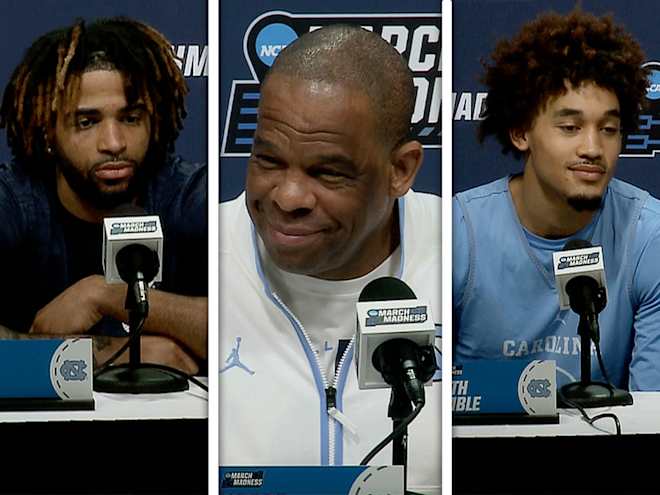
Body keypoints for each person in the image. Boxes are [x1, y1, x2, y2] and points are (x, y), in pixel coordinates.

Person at [219, 25, 441, 491]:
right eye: (268, 160)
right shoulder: (199, 249)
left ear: (400, 170)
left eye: (328, 172)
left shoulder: (462, 250)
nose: (288, 196)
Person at [453, 9, 660, 390]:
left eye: (609, 129)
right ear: (520, 132)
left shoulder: (649, 235)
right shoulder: (458, 233)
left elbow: (652, 411)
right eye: (570, 127)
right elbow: (426, 406)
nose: (593, 148)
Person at [0, 17, 207, 375]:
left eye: (130, 118)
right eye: (87, 121)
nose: (113, 143)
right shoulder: (15, 202)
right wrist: (124, 355)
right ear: (49, 131)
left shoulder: (187, 194)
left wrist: (107, 295)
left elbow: (259, 332)